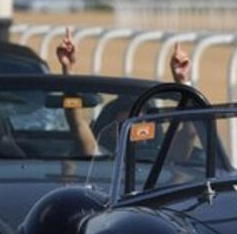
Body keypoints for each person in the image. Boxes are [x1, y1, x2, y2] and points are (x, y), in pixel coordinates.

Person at [56, 29, 194, 157]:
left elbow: (190, 132)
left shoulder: (161, 162)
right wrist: (68, 70)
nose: (131, 132)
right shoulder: (99, 156)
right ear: (109, 132)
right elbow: (77, 123)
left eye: (138, 126)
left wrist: (183, 83)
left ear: (151, 131)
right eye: (123, 127)